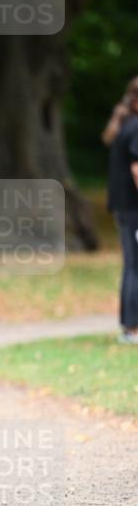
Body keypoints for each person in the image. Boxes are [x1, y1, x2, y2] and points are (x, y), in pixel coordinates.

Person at [103, 76, 138, 344]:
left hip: (123, 208)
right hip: (133, 209)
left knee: (131, 265)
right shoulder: (136, 127)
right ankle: (132, 328)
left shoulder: (124, 125)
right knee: (135, 266)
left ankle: (129, 327)